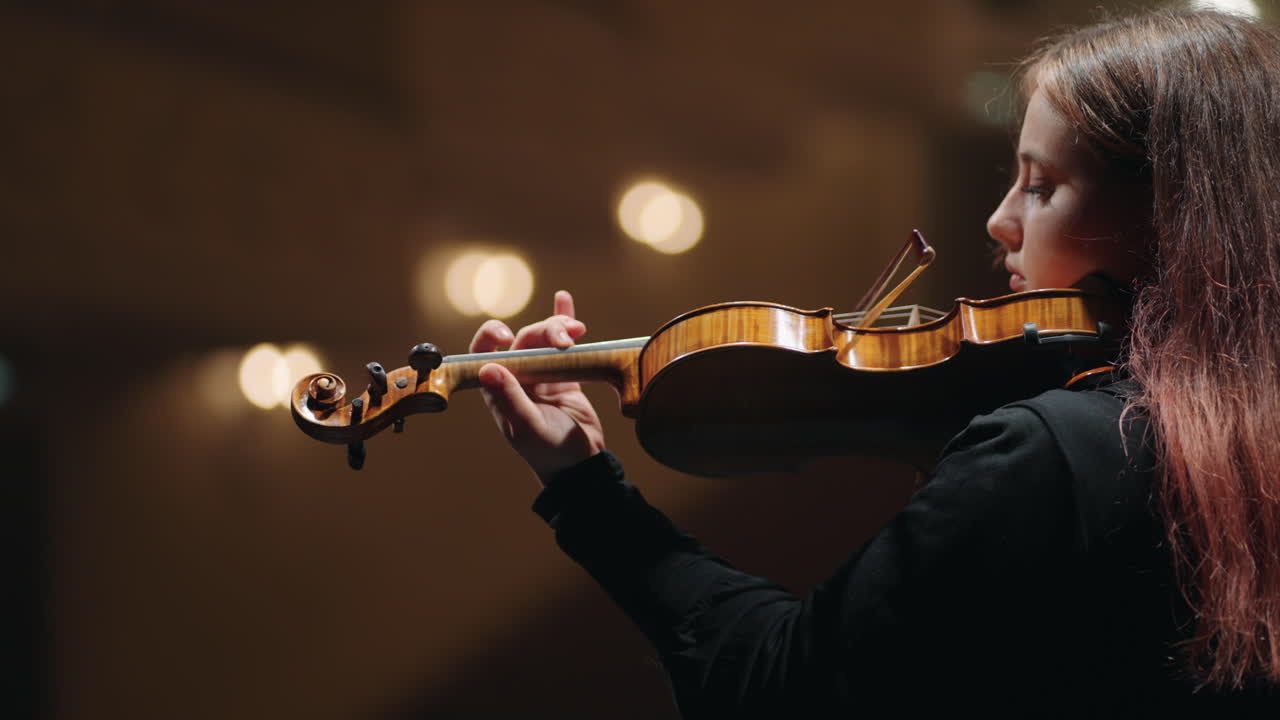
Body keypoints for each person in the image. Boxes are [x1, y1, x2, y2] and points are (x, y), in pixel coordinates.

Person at [468, 8, 1280, 716]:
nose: (1001, 220)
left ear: (1168, 215)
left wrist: (586, 492)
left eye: (1042, 185)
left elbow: (777, 689)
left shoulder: (1050, 458)